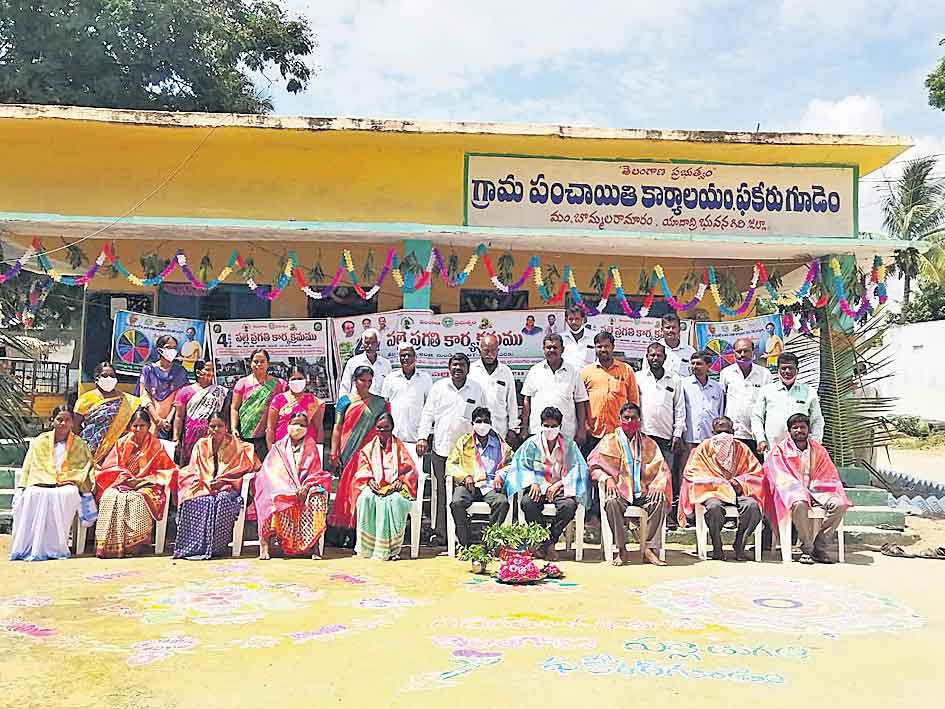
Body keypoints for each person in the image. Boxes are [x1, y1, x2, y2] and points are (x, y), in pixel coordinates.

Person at [501, 406, 588, 561]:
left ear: (560, 426)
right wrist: (532, 482)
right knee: (527, 503)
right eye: (546, 425)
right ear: (541, 425)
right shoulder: (531, 444)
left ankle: (549, 541)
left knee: (569, 506)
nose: (549, 429)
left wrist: (559, 484)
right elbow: (520, 465)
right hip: (538, 488)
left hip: (559, 489)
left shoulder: (569, 446)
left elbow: (578, 469)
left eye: (553, 426)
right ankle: (547, 543)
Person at [587, 403, 670, 567]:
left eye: (633, 418)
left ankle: (648, 549)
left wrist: (658, 485)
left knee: (659, 500)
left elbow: (662, 469)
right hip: (620, 490)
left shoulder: (649, 443)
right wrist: (606, 478)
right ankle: (621, 548)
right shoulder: (608, 441)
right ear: (619, 419)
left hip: (644, 491)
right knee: (611, 503)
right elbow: (593, 466)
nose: (630, 421)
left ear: (639, 420)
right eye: (626, 418)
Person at [763, 413, 851, 564]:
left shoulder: (819, 450)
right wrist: (799, 490)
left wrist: (815, 488)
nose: (799, 430)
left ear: (808, 429)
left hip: (818, 489)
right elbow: (779, 476)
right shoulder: (779, 451)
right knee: (799, 503)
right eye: (795, 427)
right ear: (789, 431)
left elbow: (828, 474)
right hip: (792, 492)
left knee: (840, 504)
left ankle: (820, 546)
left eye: (802, 427)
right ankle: (807, 548)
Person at [417, 353, 485, 546]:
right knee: (441, 492)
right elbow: (427, 415)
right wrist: (422, 437)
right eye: (454, 365)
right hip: (442, 449)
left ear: (468, 368)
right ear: (449, 367)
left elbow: (483, 416)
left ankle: (464, 535)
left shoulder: (476, 389)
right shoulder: (439, 387)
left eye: (462, 365)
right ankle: (441, 534)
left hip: (467, 453)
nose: (458, 368)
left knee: (464, 492)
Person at [10, 407, 93, 561]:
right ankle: (31, 546)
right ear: (52, 421)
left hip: (67, 482)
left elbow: (84, 467)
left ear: (72, 423)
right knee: (33, 494)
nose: (63, 423)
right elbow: (31, 464)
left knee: (68, 493)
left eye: (67, 420)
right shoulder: (40, 440)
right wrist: (35, 481)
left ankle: (56, 547)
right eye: (59, 419)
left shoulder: (80, 444)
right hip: (41, 479)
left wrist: (68, 478)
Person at [93, 409, 178, 558]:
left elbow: (167, 469)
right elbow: (110, 466)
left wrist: (141, 481)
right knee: (109, 496)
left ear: (149, 426)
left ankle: (134, 545)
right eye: (135, 426)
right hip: (122, 481)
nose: (138, 429)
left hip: (147, 484)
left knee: (137, 499)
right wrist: (125, 478)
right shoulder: (121, 443)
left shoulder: (156, 446)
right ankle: (108, 545)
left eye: (142, 426)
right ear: (130, 427)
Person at [174, 412, 259, 560]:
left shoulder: (238, 446)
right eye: (212, 426)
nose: (216, 429)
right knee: (198, 500)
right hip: (203, 485)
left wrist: (224, 482)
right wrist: (207, 483)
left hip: (229, 486)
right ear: (208, 427)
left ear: (226, 427)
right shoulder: (201, 445)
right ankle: (193, 548)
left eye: (220, 426)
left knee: (222, 500)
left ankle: (217, 548)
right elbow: (194, 468)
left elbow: (253, 467)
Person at [679, 416, 766, 561]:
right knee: (713, 508)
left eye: (727, 432)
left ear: (733, 432)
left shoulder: (742, 448)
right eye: (719, 433)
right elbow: (693, 473)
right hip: (712, 492)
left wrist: (738, 482)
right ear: (713, 432)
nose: (723, 437)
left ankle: (740, 543)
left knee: (752, 507)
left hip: (737, 492)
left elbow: (756, 473)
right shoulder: (703, 449)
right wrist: (717, 483)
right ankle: (717, 546)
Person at [256, 411, 332, 559]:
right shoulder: (278, 447)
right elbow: (270, 472)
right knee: (272, 498)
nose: (297, 428)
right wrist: (288, 488)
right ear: (288, 425)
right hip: (282, 485)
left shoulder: (311, 445)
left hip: (307, 485)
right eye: (295, 424)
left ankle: (315, 546)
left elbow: (316, 472)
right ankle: (264, 545)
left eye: (302, 425)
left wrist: (306, 487)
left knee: (318, 498)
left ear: (307, 428)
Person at [327, 366, 389, 546]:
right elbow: (337, 427)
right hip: (347, 451)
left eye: (369, 381)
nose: (366, 384)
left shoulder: (379, 403)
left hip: (367, 455)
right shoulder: (344, 401)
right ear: (354, 380)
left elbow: (384, 428)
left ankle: (359, 533)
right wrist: (334, 452)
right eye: (363, 380)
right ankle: (342, 532)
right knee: (345, 492)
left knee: (361, 491)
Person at [352, 412, 418, 560]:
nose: (382, 431)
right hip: (375, 487)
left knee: (393, 501)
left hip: (396, 489)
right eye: (379, 428)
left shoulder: (399, 447)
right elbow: (362, 469)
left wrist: (401, 480)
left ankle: (392, 549)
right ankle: (368, 548)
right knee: (365, 499)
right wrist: (369, 480)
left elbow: (410, 470)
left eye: (386, 428)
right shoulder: (368, 448)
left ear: (392, 428)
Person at [447, 407, 513, 548]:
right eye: (478, 421)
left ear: (491, 423)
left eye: (486, 421)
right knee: (457, 502)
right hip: (469, 485)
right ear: (472, 423)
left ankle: (490, 543)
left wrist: (501, 475)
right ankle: (465, 543)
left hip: (491, 486)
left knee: (502, 502)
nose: (482, 425)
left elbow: (512, 464)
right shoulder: (464, 442)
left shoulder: (500, 444)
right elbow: (451, 464)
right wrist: (465, 476)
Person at [678, 350, 725, 524]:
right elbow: (680, 409)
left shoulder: (717, 388)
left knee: (708, 476)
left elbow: (720, 413)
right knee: (687, 475)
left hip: (710, 442)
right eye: (693, 363)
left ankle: (708, 511)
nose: (695, 367)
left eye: (699, 363)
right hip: (690, 439)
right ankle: (686, 512)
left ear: (708, 366)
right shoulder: (684, 384)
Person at [521, 334, 589, 446]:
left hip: (566, 433)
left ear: (562, 349)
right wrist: (524, 428)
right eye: (548, 347)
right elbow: (526, 401)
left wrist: (581, 430)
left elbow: (580, 402)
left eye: (555, 347)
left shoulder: (573, 372)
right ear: (543, 349)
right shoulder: (535, 371)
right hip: (538, 432)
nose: (551, 350)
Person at [751, 352, 824, 456]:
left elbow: (817, 420)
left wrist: (815, 442)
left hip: (800, 451)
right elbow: (757, 417)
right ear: (778, 370)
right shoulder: (767, 391)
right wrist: (760, 439)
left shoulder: (809, 391)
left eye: (791, 368)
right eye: (783, 368)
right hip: (773, 449)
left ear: (797, 370)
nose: (787, 371)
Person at [581, 330, 639, 456]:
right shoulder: (586, 372)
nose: (603, 349)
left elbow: (634, 402)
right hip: (593, 432)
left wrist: (632, 428)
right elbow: (581, 402)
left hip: (619, 433)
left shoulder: (626, 370)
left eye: (606, 346)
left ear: (613, 347)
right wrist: (584, 425)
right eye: (599, 346)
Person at [73, 362, 139, 465]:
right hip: (89, 450)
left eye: (112, 376)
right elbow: (75, 427)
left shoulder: (127, 401)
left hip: (118, 449)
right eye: (104, 376)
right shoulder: (85, 399)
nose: (109, 378)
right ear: (96, 379)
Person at [719, 337, 772, 460]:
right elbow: (722, 401)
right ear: (734, 353)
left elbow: (768, 404)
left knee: (756, 468)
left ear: (753, 352)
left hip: (757, 435)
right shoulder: (726, 373)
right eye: (739, 351)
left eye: (746, 351)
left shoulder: (765, 374)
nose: (742, 354)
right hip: (733, 433)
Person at [231, 349, 287, 462]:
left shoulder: (279, 384)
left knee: (268, 466)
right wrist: (234, 428)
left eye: (262, 361)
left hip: (269, 435)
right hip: (246, 435)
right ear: (250, 363)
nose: (259, 364)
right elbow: (234, 408)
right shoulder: (242, 383)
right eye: (256, 361)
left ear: (268, 364)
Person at [173, 359, 229, 467]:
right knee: (191, 465)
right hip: (191, 436)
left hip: (213, 434)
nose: (211, 373)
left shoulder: (221, 392)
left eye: (213, 370)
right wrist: (176, 438)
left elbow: (224, 415)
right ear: (198, 372)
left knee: (210, 464)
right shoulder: (185, 391)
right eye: (208, 370)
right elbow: (179, 417)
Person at [637, 343, 685, 468]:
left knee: (665, 473)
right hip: (644, 434)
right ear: (647, 357)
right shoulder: (638, 377)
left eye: (659, 355)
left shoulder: (674, 379)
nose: (655, 358)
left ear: (665, 357)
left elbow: (679, 407)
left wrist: (677, 433)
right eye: (652, 355)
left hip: (666, 436)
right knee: (644, 472)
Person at [469, 333, 520, 446]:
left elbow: (512, 403)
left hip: (500, 430)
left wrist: (512, 429)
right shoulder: (471, 371)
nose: (490, 354)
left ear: (498, 350)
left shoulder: (506, 372)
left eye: (493, 350)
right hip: (476, 430)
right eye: (486, 350)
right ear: (479, 350)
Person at [137, 334, 189, 440]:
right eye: (168, 347)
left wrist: (168, 420)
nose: (172, 351)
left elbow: (179, 399)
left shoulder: (180, 372)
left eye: (174, 348)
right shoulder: (148, 370)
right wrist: (157, 419)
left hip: (172, 422)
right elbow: (144, 396)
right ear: (159, 350)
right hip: (150, 419)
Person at [381, 343, 433, 445]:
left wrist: (423, 436)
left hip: (417, 438)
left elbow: (429, 408)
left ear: (415, 357)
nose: (406, 358)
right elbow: (384, 405)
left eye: (409, 355)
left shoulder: (425, 378)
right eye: (403, 355)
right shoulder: (390, 379)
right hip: (394, 437)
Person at [267, 364, 325, 447]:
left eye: (300, 379)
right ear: (288, 381)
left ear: (305, 380)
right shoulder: (278, 399)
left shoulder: (312, 400)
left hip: (307, 448)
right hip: (282, 448)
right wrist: (271, 451)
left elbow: (318, 428)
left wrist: (319, 448)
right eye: (293, 379)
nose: (297, 381)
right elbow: (270, 429)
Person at [338, 328, 392, 398]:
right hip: (358, 403)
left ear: (378, 343)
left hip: (380, 403)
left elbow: (390, 387)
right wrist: (343, 403)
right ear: (363, 344)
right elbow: (344, 387)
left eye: (373, 343)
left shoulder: (386, 364)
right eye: (367, 343)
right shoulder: (353, 362)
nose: (370, 346)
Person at [852, 361, 881, 467]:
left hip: (854, 425)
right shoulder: (874, 383)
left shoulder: (851, 385)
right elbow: (880, 403)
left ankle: (859, 473)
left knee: (857, 455)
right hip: (870, 423)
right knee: (870, 455)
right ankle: (870, 474)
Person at [659, 312, 695, 378]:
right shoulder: (655, 350)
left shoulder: (690, 351)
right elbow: (646, 374)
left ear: (679, 329)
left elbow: (695, 375)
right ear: (662, 330)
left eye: (674, 327)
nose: (670, 330)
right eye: (667, 327)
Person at [561, 305, 596, 371]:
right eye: (571, 319)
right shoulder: (560, 338)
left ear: (583, 319)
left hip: (588, 376)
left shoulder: (594, 337)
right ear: (566, 320)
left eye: (577, 319)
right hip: (566, 376)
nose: (574, 322)